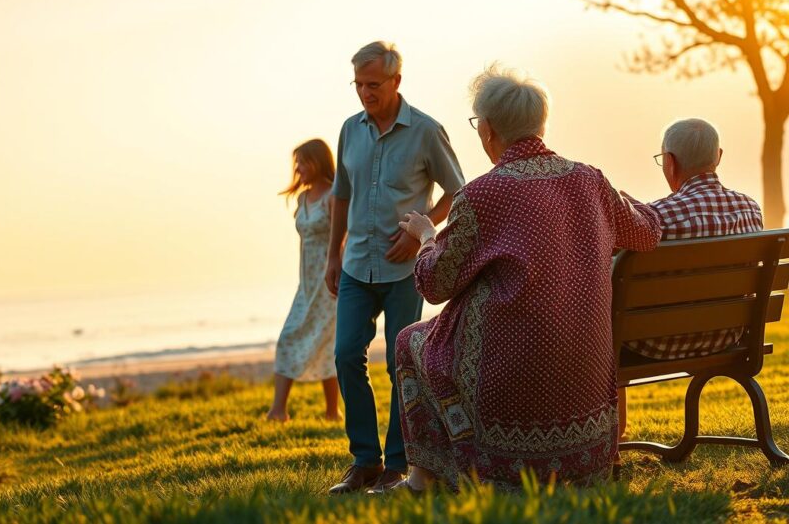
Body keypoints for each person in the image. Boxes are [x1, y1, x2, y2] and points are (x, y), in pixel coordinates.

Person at [389, 65, 661, 493]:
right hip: (585, 388)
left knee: (410, 340)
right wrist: (609, 192)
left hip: (510, 384)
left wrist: (426, 234)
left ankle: (424, 480)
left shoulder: (481, 195)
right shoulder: (589, 180)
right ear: (540, 124)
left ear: (489, 130)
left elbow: (433, 284)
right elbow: (646, 231)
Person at [326, 41, 466, 494]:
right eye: (358, 85)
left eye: (373, 84)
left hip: (404, 274)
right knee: (347, 355)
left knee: (400, 368)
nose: (365, 93)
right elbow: (341, 195)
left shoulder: (426, 130)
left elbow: (458, 191)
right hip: (354, 268)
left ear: (396, 81)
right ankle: (364, 461)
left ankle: (398, 465)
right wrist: (333, 254)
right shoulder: (350, 130)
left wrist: (419, 233)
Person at [618, 118, 763, 437]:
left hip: (655, 344)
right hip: (728, 337)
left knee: (606, 331)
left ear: (670, 162)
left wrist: (630, 213)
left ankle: (615, 438)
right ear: (719, 156)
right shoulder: (751, 209)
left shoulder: (657, 217)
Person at [266, 139, 342, 422]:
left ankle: (328, 412)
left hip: (330, 282)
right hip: (306, 283)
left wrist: (338, 275)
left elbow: (342, 239)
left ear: (319, 162)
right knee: (290, 337)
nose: (298, 168)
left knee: (326, 344)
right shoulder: (302, 198)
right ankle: (282, 411)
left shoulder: (335, 195)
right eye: (296, 162)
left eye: (303, 161)